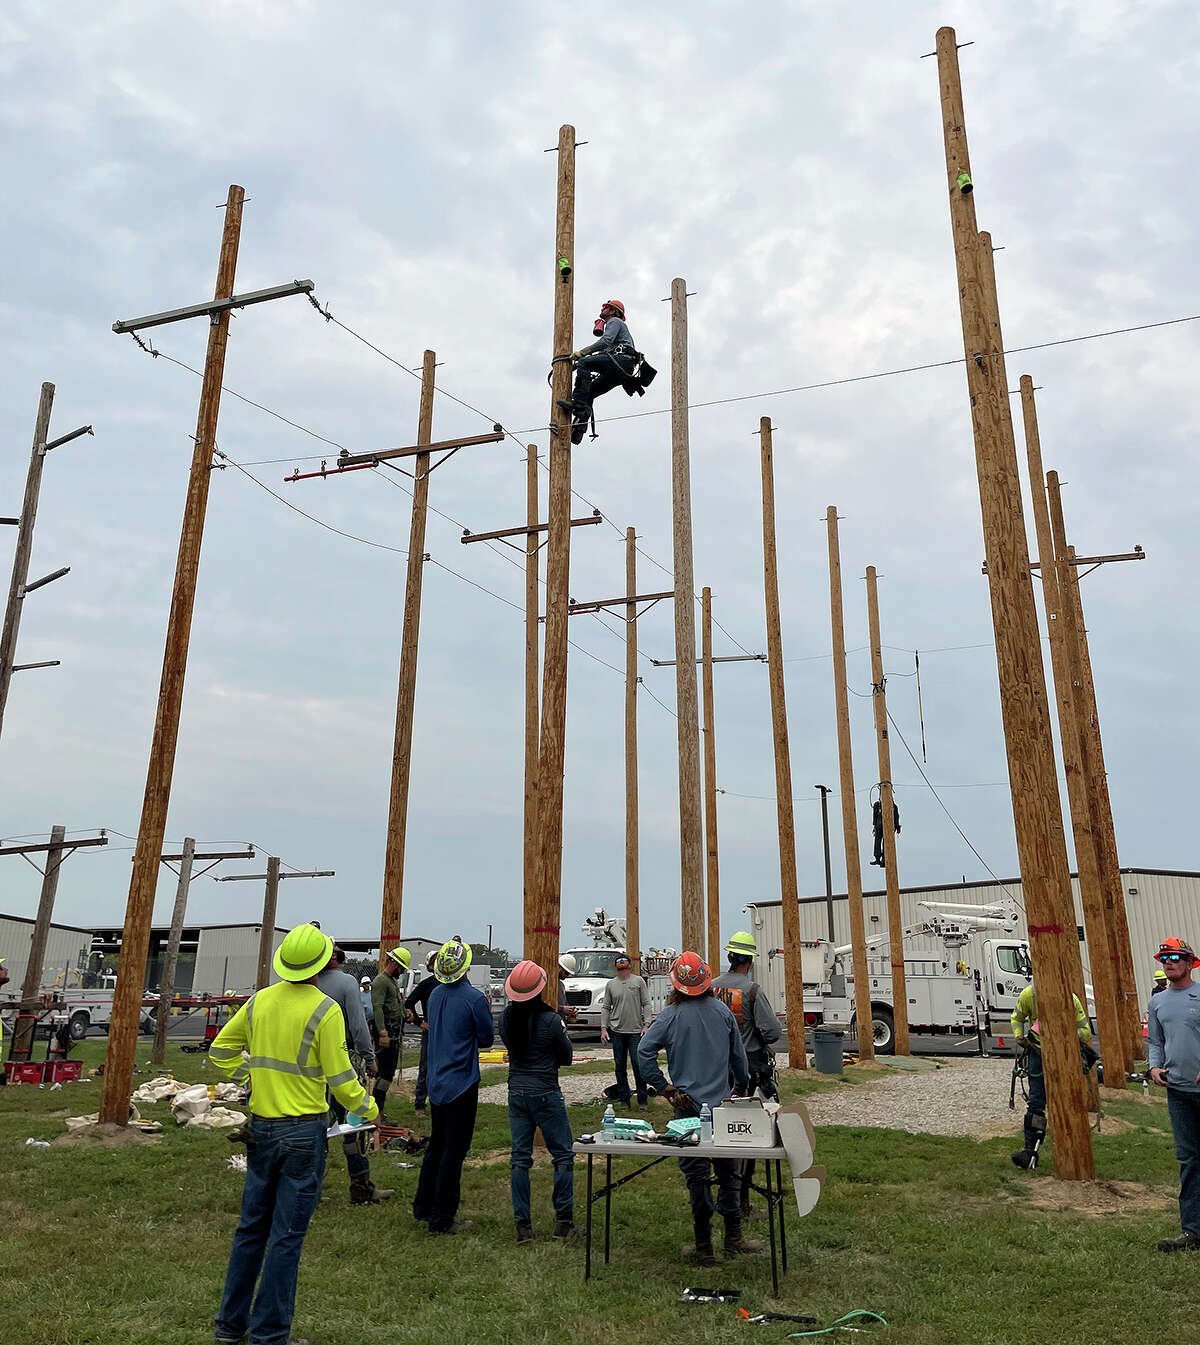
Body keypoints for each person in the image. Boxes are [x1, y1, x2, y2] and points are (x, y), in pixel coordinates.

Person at [210, 923, 378, 1345]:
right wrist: (368, 1108)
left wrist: (250, 1078)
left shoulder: (259, 1002)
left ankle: (230, 1328)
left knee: (251, 1230)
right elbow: (341, 1079)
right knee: (285, 1238)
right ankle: (269, 1336)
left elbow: (220, 1051)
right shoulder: (325, 1009)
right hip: (304, 1133)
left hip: (262, 1130)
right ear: (323, 965)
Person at [637, 951, 760, 1265]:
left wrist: (664, 1088)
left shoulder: (670, 1016)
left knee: (697, 1177)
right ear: (706, 981)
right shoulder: (722, 1012)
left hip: (687, 1111)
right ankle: (734, 1237)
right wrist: (741, 1088)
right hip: (721, 1108)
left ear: (676, 985)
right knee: (729, 1173)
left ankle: (704, 1244)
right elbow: (739, 1060)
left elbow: (644, 1052)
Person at [412, 937, 494, 1234]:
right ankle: (442, 1217)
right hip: (462, 1082)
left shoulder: (434, 996)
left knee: (436, 1144)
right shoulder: (473, 999)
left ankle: (422, 1205)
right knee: (453, 1152)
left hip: (437, 1081)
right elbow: (486, 1038)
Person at [499, 960, 575, 1243]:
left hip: (516, 1091)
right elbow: (566, 1057)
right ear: (541, 988)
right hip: (545, 1091)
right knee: (563, 1155)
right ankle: (563, 1222)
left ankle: (523, 1227)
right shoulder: (552, 1021)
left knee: (520, 1159)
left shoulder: (507, 1018)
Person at [712, 930, 782, 1219]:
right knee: (747, 1135)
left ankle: (720, 1194)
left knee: (717, 1133)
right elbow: (773, 1032)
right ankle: (739, 1202)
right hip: (749, 1069)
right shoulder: (752, 991)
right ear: (749, 961)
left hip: (717, 1069)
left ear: (729, 956)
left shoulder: (711, 989)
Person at [317, 945, 392, 1206]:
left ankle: (309, 1190)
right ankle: (360, 1186)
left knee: (317, 1125)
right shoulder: (347, 983)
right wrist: (369, 1058)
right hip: (344, 1058)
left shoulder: (303, 983)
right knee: (355, 1122)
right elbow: (359, 1025)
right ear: (338, 959)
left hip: (311, 1066)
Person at [1147, 936, 1200, 1252]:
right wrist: (1154, 1068)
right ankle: (1192, 1232)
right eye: (1164, 958)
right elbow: (1155, 1041)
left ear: (1190, 962)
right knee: (1189, 1161)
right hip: (1179, 1093)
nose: (1169, 962)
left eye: (1176, 957)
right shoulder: (1158, 1002)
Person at [1009, 980, 1092, 1170]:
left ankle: (1074, 1150)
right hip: (1038, 1054)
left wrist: (1061, 1034)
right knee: (1036, 1101)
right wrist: (1019, 1037)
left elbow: (1085, 1030)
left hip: (1065, 1055)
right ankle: (1031, 1151)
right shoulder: (1028, 996)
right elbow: (1017, 1018)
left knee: (1068, 1100)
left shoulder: (1070, 999)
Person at [557, 299, 639, 444]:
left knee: (584, 363)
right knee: (591, 390)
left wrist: (582, 354)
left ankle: (578, 404)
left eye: (605, 308)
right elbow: (605, 351)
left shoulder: (614, 321)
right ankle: (579, 429)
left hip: (621, 360)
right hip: (623, 368)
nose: (602, 310)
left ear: (613, 311)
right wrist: (581, 364)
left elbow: (605, 341)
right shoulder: (617, 328)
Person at [600, 953, 651, 1107]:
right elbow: (606, 1007)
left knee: (637, 1065)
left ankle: (642, 1100)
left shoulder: (638, 981)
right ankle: (624, 1099)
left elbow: (646, 1004)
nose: (621, 963)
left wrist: (646, 1024)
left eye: (624, 960)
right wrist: (604, 1028)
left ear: (630, 964)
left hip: (636, 1031)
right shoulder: (610, 984)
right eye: (618, 961)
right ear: (615, 966)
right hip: (617, 1031)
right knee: (620, 1066)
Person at [370, 947, 411, 1121]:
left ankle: (379, 1111)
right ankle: (375, 1113)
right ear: (394, 964)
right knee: (384, 1074)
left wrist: (405, 1013)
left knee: (388, 1073)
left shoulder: (391, 981)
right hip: (387, 1034)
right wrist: (382, 1032)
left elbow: (392, 1004)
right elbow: (377, 1007)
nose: (401, 972)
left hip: (394, 1033)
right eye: (401, 968)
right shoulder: (381, 981)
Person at [405, 952, 439, 1112]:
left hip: (447, 1032)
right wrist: (420, 1023)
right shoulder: (427, 984)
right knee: (425, 1068)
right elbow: (409, 1003)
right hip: (430, 1031)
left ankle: (440, 1103)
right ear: (430, 966)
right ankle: (420, 1105)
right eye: (435, 962)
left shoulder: (450, 984)